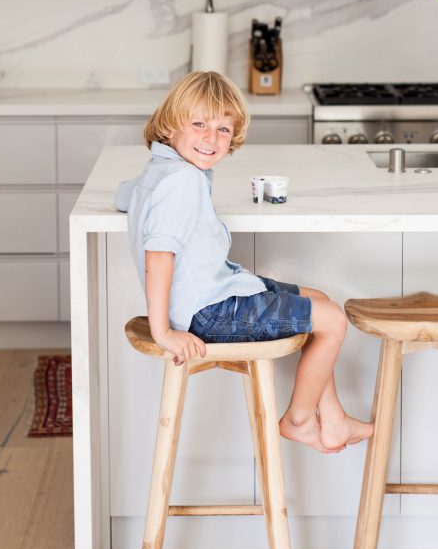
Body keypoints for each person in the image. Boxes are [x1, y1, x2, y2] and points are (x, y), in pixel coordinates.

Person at [116, 70, 373, 454]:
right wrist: (163, 334)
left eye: (223, 129)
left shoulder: (160, 172)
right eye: (199, 123)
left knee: (318, 299)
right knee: (332, 320)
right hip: (210, 312)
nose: (211, 138)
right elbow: (159, 256)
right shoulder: (182, 182)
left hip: (215, 294)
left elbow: (127, 197)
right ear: (170, 125)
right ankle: (299, 420)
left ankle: (332, 418)